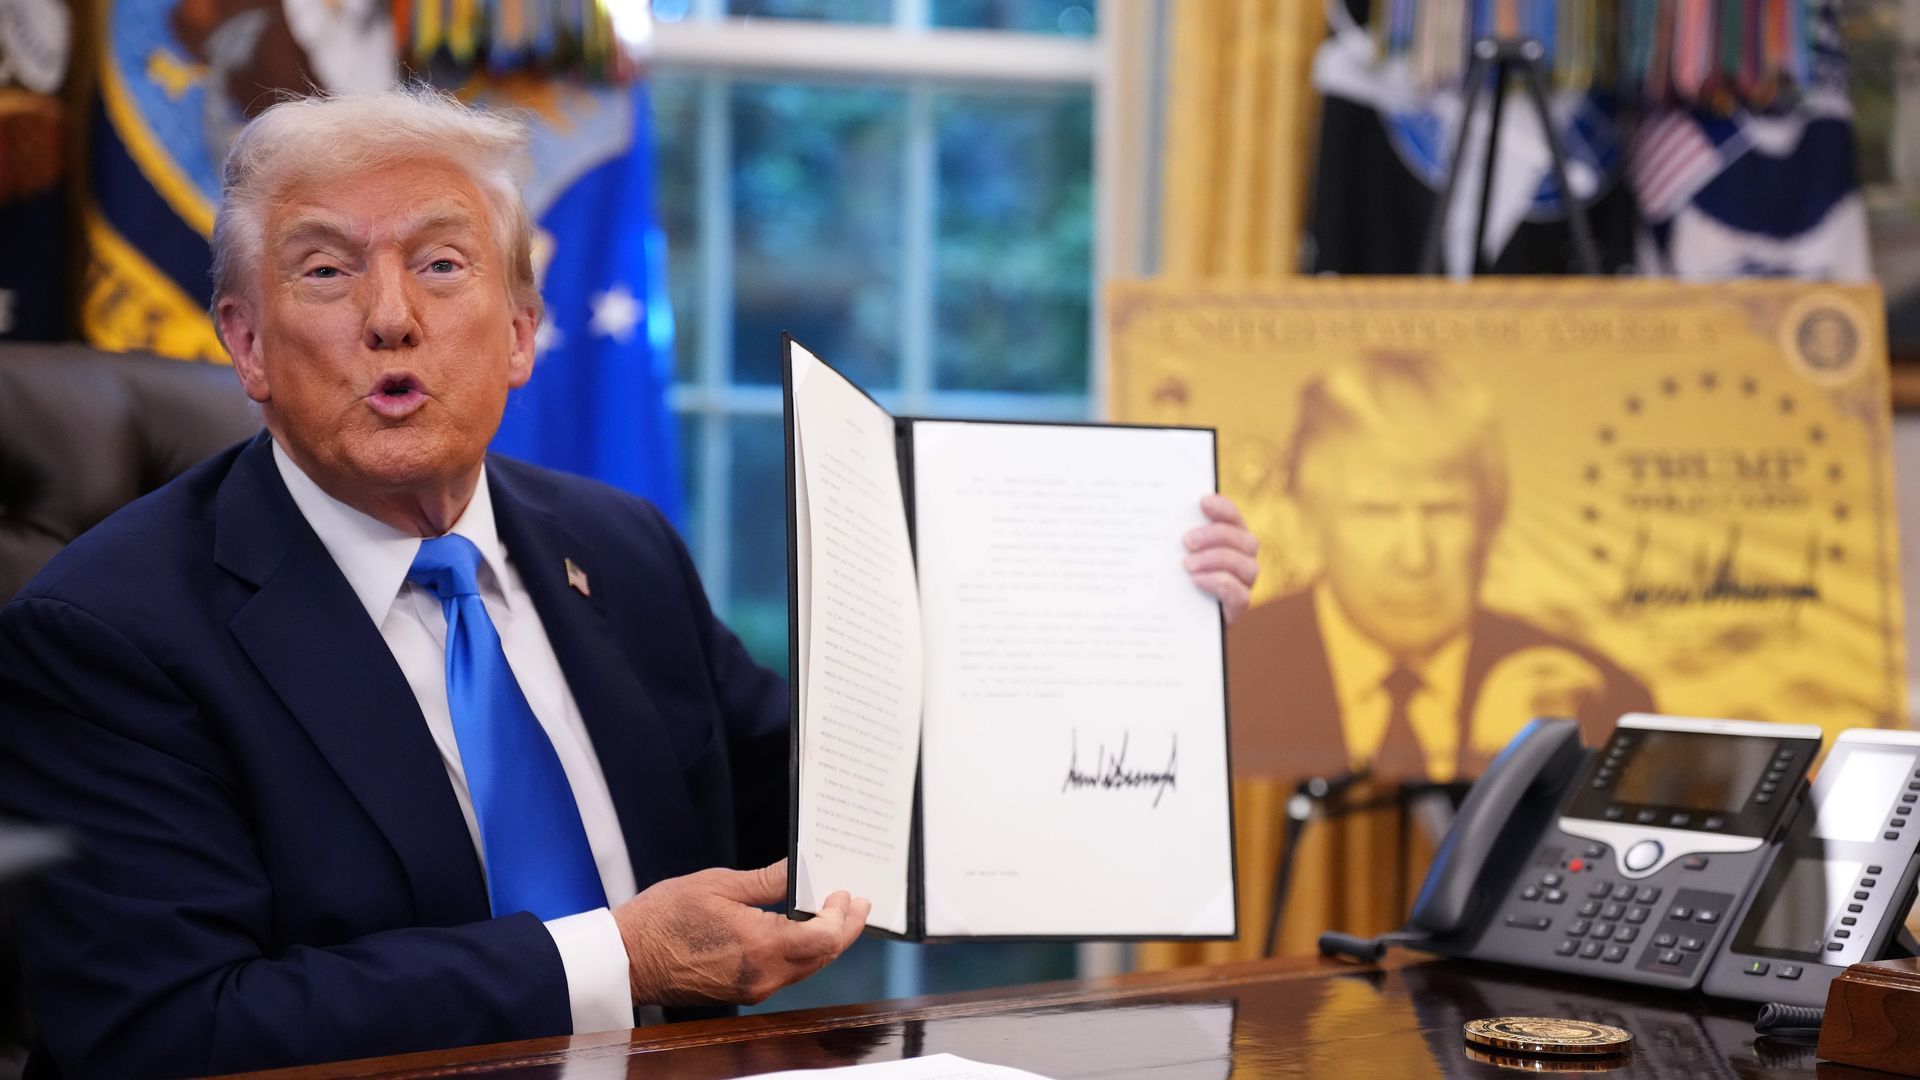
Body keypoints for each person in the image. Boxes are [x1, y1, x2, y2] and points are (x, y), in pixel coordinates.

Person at [0, 88, 1260, 1078]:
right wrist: (620, 956)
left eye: (442, 266)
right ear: (248, 343)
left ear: (518, 332)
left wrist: (1136, 625)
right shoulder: (106, 631)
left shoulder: (619, 547)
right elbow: (168, 1033)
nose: (390, 318)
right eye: (326, 272)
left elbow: (852, 811)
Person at [1229, 351, 1652, 784]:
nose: (1415, 558)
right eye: (1375, 512)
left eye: (1444, 511)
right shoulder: (1226, 676)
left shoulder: (1600, 701)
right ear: (1308, 520)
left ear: (1492, 518)